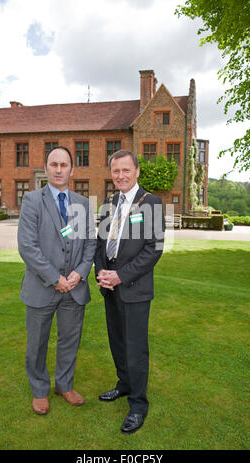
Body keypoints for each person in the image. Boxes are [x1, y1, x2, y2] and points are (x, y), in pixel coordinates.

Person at [18, 146, 96, 415]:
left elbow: (90, 243)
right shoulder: (31, 201)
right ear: (47, 168)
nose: (59, 169)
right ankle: (40, 390)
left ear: (72, 170)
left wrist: (80, 273)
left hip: (74, 289)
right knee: (36, 343)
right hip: (42, 288)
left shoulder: (83, 203)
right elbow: (27, 247)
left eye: (64, 165)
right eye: (54, 164)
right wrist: (55, 278)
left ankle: (65, 385)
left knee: (69, 341)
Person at [95, 150, 165, 434]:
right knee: (117, 342)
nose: (120, 176)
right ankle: (124, 384)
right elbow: (100, 244)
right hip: (110, 288)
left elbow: (153, 250)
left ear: (136, 171)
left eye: (125, 170)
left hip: (134, 289)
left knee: (136, 348)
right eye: (115, 171)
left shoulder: (151, 203)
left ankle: (138, 405)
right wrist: (101, 273)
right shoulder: (108, 203)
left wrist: (121, 276)